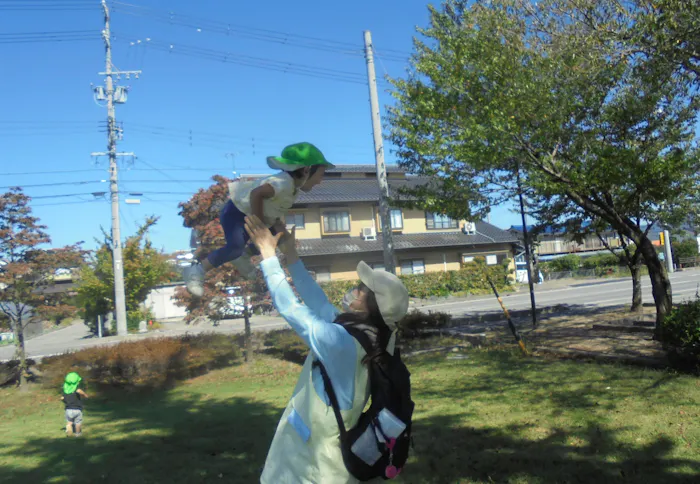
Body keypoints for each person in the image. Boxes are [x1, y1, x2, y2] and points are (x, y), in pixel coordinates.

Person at [244, 215, 410, 484]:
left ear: (371, 306)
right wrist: (292, 256)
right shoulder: (372, 336)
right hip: (330, 460)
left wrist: (268, 255)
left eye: (361, 289)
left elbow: (291, 309)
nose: (354, 290)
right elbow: (318, 303)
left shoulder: (343, 343)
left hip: (312, 466)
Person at [183, 142, 333, 297]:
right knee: (235, 247)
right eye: (320, 174)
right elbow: (257, 194)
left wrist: (274, 225)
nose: (320, 181)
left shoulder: (293, 189)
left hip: (247, 214)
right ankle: (196, 270)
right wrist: (259, 226)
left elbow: (274, 207)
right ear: (307, 170)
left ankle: (244, 255)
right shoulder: (283, 183)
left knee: (277, 239)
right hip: (236, 212)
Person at [61, 372, 88, 437]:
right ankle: (78, 434)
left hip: (68, 409)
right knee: (78, 422)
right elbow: (79, 391)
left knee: (69, 421)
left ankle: (68, 427)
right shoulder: (77, 389)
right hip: (77, 409)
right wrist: (85, 395)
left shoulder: (65, 390)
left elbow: (62, 398)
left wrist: (65, 401)